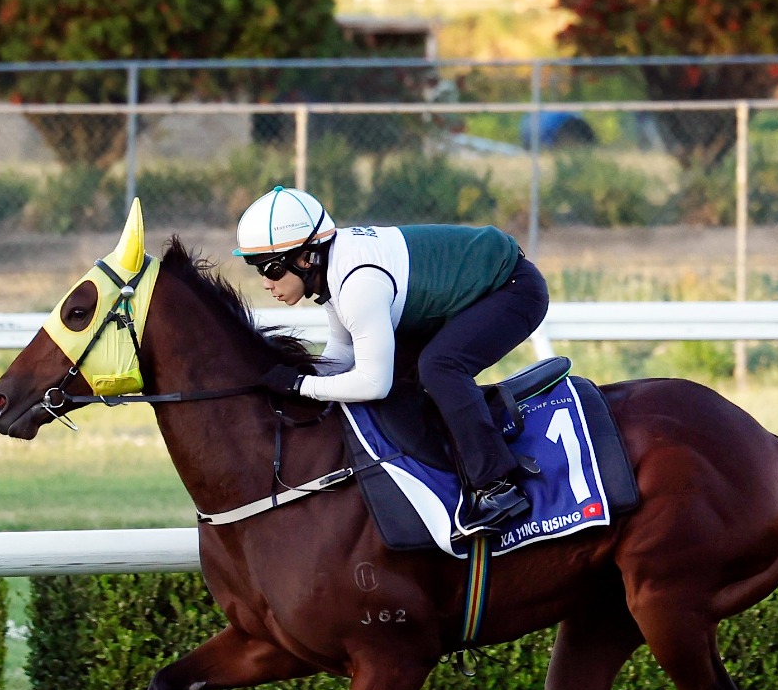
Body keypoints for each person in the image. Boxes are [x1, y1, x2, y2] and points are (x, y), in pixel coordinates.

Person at [234, 186, 549, 535]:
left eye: (271, 269)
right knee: (408, 374)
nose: (265, 283)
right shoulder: (335, 270)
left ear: (306, 258)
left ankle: (497, 486)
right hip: (464, 295)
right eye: (257, 270)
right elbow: (342, 354)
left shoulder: (357, 283)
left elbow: (372, 383)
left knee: (439, 368)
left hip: (513, 288)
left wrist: (301, 385)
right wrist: (297, 380)